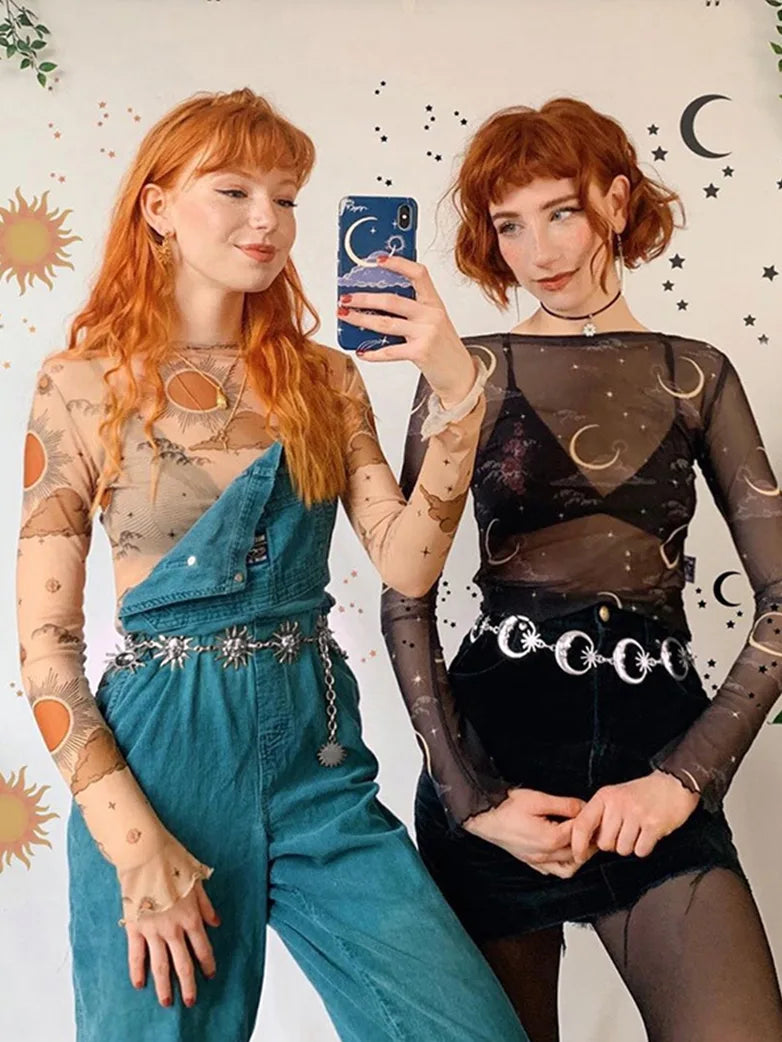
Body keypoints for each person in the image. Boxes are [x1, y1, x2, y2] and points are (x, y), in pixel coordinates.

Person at [16, 88, 529, 1042]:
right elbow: (45, 647)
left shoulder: (324, 377)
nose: (269, 221)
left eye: (287, 198)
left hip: (315, 750)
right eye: (235, 190)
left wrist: (457, 392)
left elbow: (408, 566)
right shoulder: (82, 383)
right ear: (158, 206)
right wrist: (134, 845)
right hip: (161, 765)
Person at [377, 97, 782, 1042]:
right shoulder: (466, 369)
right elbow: (405, 598)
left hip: (657, 761)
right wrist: (472, 802)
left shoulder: (697, 372)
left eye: (560, 211)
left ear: (617, 200)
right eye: (509, 225)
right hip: (496, 765)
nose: (538, 250)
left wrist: (684, 781)